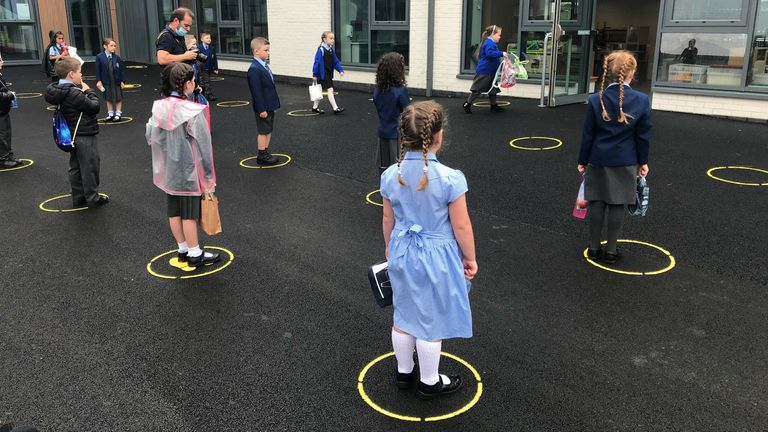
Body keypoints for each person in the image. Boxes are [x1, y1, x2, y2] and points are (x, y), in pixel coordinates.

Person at [380, 101, 478, 399]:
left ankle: (404, 372)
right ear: (438, 136)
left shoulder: (389, 175)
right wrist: (470, 258)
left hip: (402, 249)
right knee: (430, 319)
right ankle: (429, 381)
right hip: (436, 256)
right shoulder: (450, 178)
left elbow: (388, 219)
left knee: (404, 313)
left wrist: (389, 249)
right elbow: (461, 226)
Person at [577, 50, 651, 264]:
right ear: (632, 73)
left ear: (608, 72)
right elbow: (643, 136)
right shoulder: (641, 100)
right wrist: (643, 161)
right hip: (625, 160)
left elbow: (588, 134)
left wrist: (582, 160)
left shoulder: (595, 99)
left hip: (598, 158)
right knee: (618, 203)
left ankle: (593, 247)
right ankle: (610, 249)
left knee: (596, 200)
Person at [146, 62, 219, 267]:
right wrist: (208, 177)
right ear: (187, 84)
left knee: (174, 211)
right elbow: (205, 146)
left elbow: (151, 136)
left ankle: (183, 249)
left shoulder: (159, 107)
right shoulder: (193, 110)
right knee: (189, 213)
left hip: (169, 169)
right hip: (189, 170)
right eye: (193, 81)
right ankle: (195, 254)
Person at [44, 57, 109, 208]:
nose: (81, 75)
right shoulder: (73, 92)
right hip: (83, 133)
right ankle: (92, 198)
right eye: (80, 72)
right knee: (90, 166)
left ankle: (78, 196)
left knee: (75, 166)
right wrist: (89, 91)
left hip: (71, 134)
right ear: (71, 74)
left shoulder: (57, 89)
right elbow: (94, 107)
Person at [373, 52, 409, 175]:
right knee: (398, 167)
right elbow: (407, 113)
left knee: (384, 167)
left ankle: (385, 191)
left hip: (383, 131)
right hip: (397, 134)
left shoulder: (378, 89)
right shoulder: (401, 90)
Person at [247, 37, 280, 165]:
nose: (268, 53)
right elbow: (256, 92)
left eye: (268, 50)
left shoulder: (264, 66)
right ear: (256, 51)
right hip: (263, 107)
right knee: (263, 131)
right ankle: (261, 155)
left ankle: (265, 151)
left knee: (268, 129)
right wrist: (261, 109)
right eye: (266, 50)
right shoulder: (254, 69)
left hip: (269, 104)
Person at [463, 24, 508, 114]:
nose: (500, 37)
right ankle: (467, 104)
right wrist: (501, 53)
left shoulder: (490, 43)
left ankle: (493, 105)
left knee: (493, 89)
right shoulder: (489, 43)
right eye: (499, 35)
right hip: (485, 71)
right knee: (477, 89)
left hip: (491, 71)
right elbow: (490, 53)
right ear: (492, 34)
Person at [311, 31, 345, 114]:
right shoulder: (321, 50)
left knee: (319, 90)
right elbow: (317, 62)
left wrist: (340, 70)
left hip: (328, 73)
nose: (333, 40)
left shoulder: (330, 50)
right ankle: (335, 108)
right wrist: (315, 74)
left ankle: (315, 108)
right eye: (331, 38)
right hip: (322, 74)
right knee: (330, 89)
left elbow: (335, 61)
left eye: (333, 38)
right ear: (324, 39)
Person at [94, 38, 125, 122]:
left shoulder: (117, 57)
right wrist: (98, 80)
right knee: (108, 97)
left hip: (116, 80)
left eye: (115, 46)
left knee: (118, 97)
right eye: (111, 45)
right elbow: (98, 70)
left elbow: (121, 70)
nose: (113, 47)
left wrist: (122, 81)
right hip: (106, 80)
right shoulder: (99, 57)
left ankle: (118, 113)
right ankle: (110, 114)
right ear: (105, 46)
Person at [0, 55, 20, 168]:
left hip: (3, 110)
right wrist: (8, 95)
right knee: (2, 134)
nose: (2, 61)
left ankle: (8, 155)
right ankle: (3, 158)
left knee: (6, 132)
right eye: (0, 60)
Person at [197, 32, 219, 101]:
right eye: (207, 38)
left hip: (209, 68)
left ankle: (201, 94)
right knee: (207, 81)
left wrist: (215, 68)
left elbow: (214, 58)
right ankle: (210, 95)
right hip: (202, 68)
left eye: (209, 38)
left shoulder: (212, 48)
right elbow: (198, 59)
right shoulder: (199, 48)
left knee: (204, 82)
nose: (209, 39)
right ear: (202, 39)